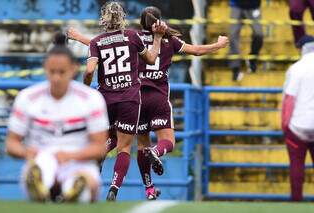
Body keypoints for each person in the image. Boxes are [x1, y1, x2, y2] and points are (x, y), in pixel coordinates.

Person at [68, 6, 228, 200]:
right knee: (166, 141)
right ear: (159, 22)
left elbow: (105, 45)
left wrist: (78, 37)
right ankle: (154, 154)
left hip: (133, 99)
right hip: (153, 98)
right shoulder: (168, 40)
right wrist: (218, 45)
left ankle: (148, 187)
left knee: (127, 142)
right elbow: (196, 50)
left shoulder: (131, 37)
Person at [5, 33, 109, 203]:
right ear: (44, 68)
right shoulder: (27, 98)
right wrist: (26, 151)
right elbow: (11, 143)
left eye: (62, 72)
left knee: (83, 186)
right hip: (41, 159)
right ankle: (39, 185)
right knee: (41, 167)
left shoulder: (91, 99)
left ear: (74, 69)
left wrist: (70, 156)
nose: (56, 78)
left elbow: (99, 147)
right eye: (52, 72)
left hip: (78, 161)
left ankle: (76, 187)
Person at [83, 2, 167, 201]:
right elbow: (152, 57)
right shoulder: (131, 36)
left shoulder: (96, 42)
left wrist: (86, 89)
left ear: (103, 18)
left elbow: (89, 70)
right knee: (124, 147)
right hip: (129, 98)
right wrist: (157, 38)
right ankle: (114, 188)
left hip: (105, 99)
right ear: (122, 17)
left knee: (103, 141)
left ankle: (92, 180)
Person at [282, 35, 314, 201]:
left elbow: (289, 99)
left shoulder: (296, 68)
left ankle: (296, 199)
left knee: (296, 164)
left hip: (298, 124)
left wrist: (284, 125)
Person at [229, 0, 263, 81]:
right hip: (236, 5)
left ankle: (252, 58)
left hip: (254, 6)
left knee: (259, 35)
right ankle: (235, 69)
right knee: (233, 36)